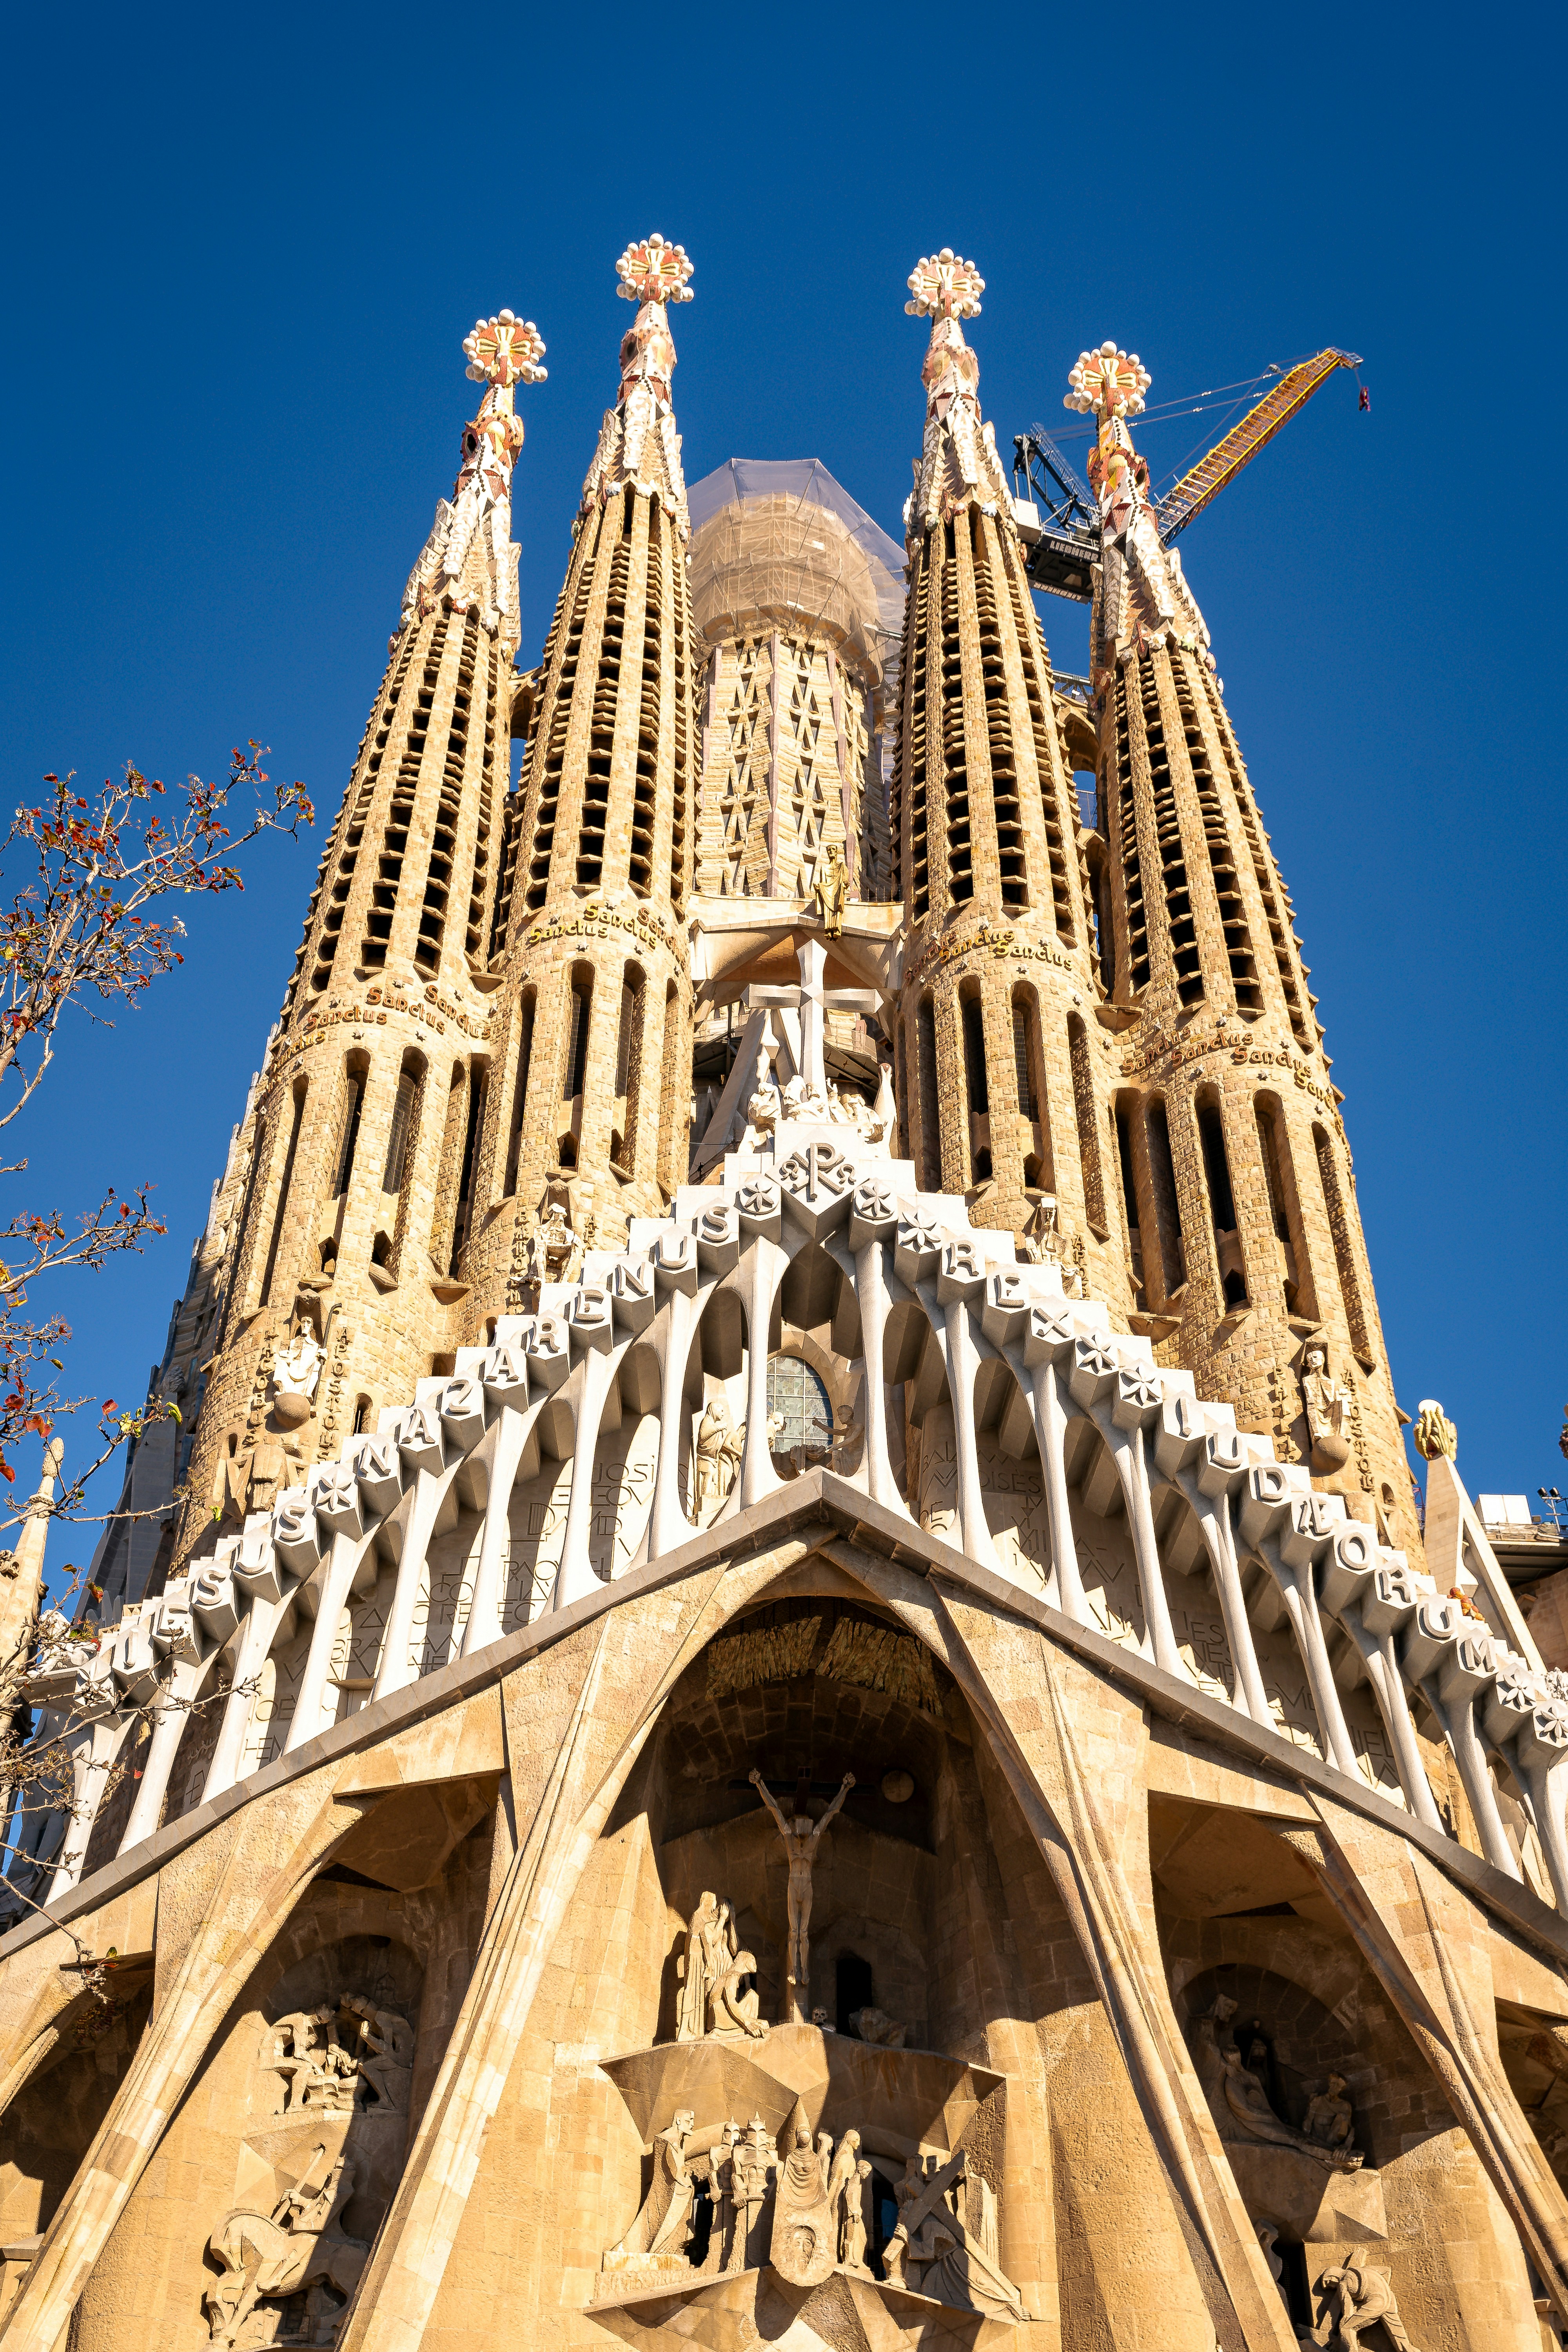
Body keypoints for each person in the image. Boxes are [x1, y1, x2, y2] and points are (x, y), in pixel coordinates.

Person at [749, 1769, 855, 2009]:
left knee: (803, 1933)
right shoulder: (789, 1839)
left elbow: (830, 1814)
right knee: (793, 1933)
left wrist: (844, 1789)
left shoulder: (814, 1840)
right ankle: (793, 1971)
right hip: (793, 1886)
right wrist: (760, 1784)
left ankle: (804, 1971)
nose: (801, 1828)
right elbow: (775, 1810)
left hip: (806, 1886)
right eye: (799, 1825)